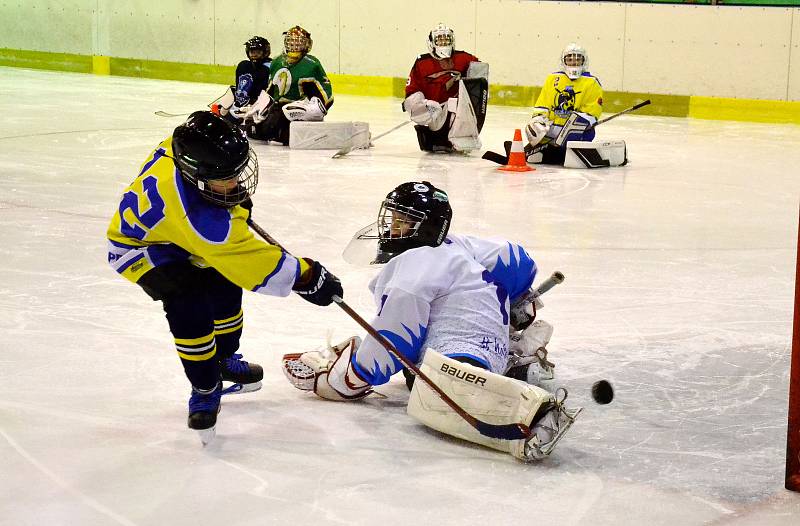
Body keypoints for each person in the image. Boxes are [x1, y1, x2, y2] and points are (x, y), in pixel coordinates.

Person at [282, 181, 581, 461]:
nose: (391, 228)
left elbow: (396, 339)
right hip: (491, 346)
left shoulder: (414, 266)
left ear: (427, 228)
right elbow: (517, 260)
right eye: (393, 219)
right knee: (420, 374)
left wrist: (346, 379)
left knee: (430, 390)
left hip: (455, 356)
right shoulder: (456, 244)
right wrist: (517, 297)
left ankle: (528, 415)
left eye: (403, 221)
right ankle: (510, 366)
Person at [106, 111, 344, 442]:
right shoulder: (205, 225)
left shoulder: (176, 149)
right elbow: (257, 266)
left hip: (177, 233)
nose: (236, 183)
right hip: (144, 249)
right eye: (225, 178)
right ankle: (204, 386)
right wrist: (308, 277)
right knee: (189, 305)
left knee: (225, 284)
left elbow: (231, 252)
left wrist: (229, 201)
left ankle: (224, 359)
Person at [403, 23, 489, 153]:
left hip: (459, 113)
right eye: (440, 40)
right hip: (436, 117)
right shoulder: (422, 63)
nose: (443, 43)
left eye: (446, 40)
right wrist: (424, 107)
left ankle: (461, 136)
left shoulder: (465, 58)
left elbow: (480, 82)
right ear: (431, 43)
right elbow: (411, 94)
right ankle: (441, 139)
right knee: (415, 102)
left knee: (455, 105)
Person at [241, 25, 334, 145]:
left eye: (298, 43)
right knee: (255, 128)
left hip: (299, 111)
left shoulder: (311, 64)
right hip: (278, 108)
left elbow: (325, 93)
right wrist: (260, 105)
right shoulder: (277, 62)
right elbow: (271, 90)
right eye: (291, 42)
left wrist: (314, 109)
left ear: (306, 44)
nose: (294, 46)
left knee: (283, 129)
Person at [523, 43, 604, 165]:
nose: (574, 62)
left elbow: (592, 113)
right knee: (528, 156)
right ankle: (554, 152)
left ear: (584, 61)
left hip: (577, 137)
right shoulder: (553, 78)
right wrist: (538, 121)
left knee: (559, 155)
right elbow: (542, 105)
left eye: (578, 58)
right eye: (570, 59)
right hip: (551, 137)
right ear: (564, 61)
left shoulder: (592, 82)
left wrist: (571, 130)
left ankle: (558, 153)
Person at [212, 36, 273, 123]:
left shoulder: (270, 67)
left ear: (265, 52)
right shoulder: (243, 65)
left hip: (258, 105)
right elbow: (239, 87)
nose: (254, 55)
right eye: (252, 52)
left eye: (258, 52)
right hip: (241, 105)